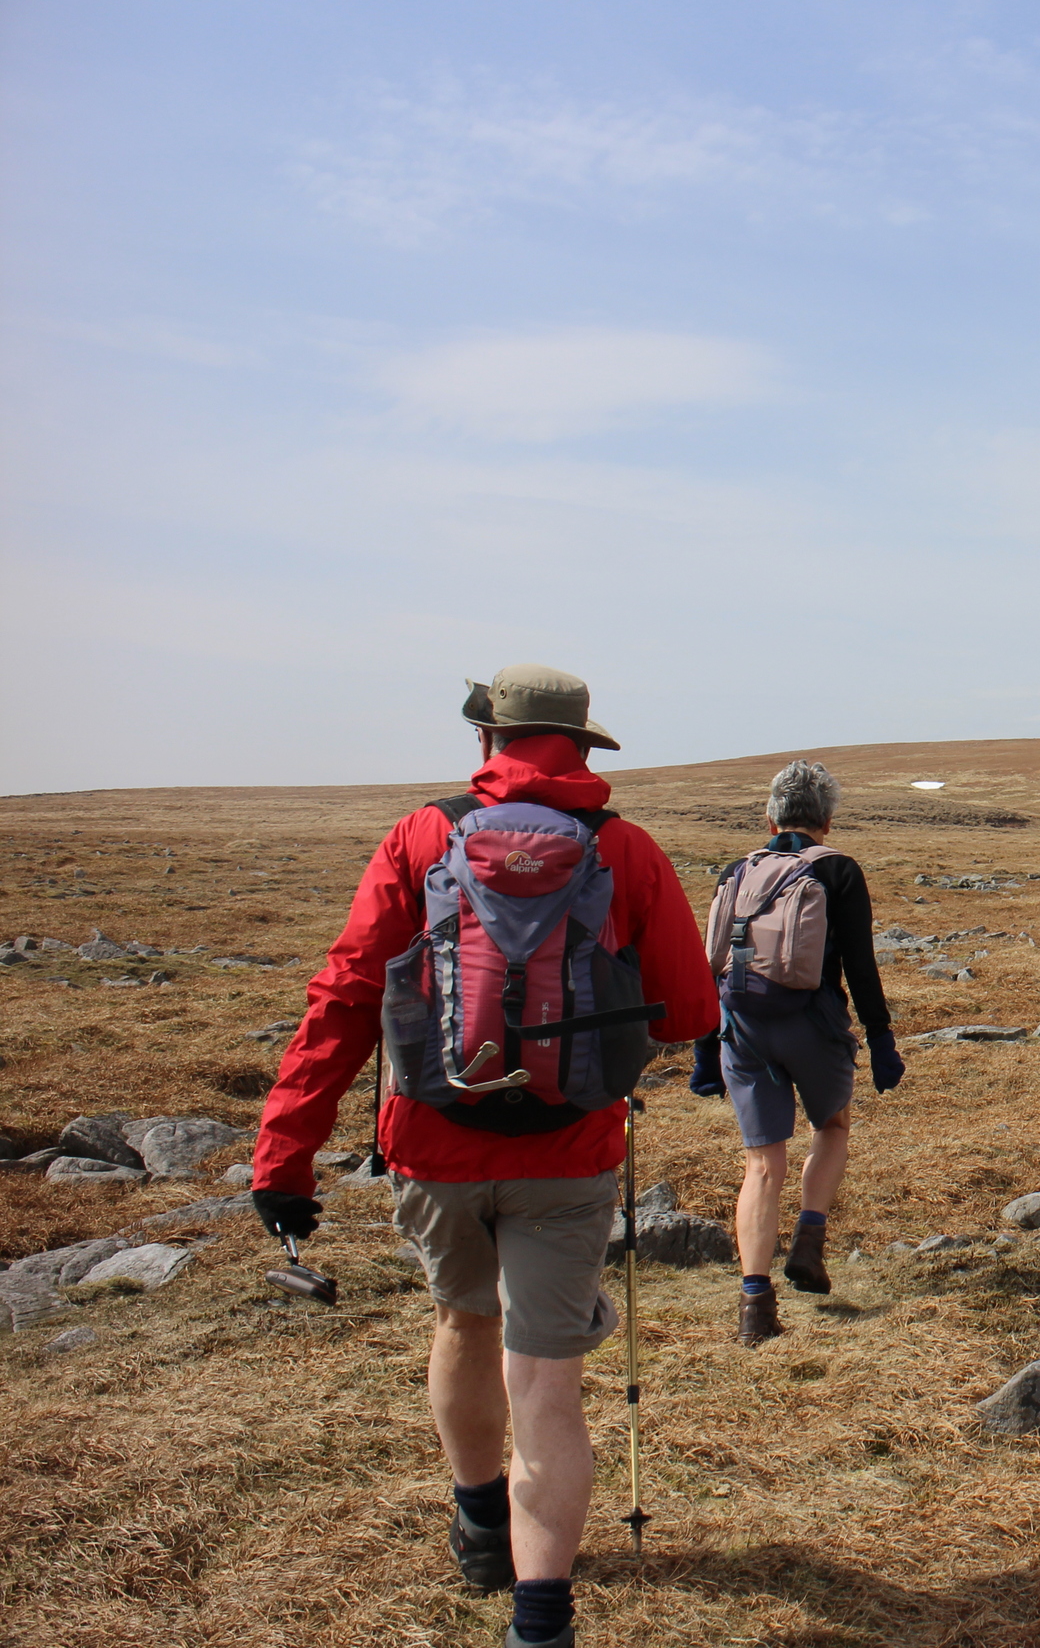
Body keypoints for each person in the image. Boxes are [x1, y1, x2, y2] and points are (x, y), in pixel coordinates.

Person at [249, 665, 717, 1648]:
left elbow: (343, 997)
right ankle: (540, 1619)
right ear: (586, 746)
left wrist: (284, 1155)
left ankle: (476, 1522)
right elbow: (687, 1011)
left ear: (488, 743)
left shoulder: (422, 836)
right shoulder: (624, 848)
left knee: (462, 1324)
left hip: (431, 1144)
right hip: (571, 1149)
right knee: (546, 1378)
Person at [688, 760, 904, 1346]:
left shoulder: (738, 871)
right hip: (813, 1023)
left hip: (743, 1027)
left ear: (769, 815)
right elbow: (860, 966)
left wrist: (706, 1049)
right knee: (831, 1125)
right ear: (827, 821)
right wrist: (881, 1040)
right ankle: (810, 1240)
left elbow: (710, 963)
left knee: (762, 1164)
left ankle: (754, 1306)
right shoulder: (838, 871)